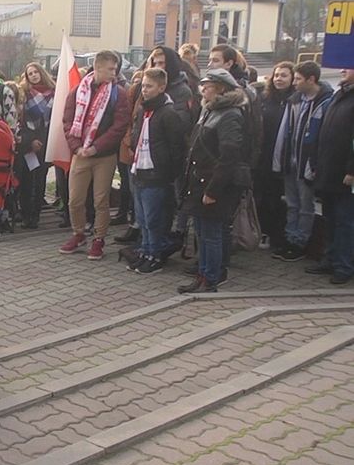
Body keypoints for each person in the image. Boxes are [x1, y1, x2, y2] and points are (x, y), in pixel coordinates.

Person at [178, 69, 248, 293]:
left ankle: (211, 278)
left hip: (213, 184)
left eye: (208, 85)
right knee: (201, 232)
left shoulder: (230, 114)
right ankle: (203, 274)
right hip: (199, 181)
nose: (203, 89)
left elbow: (229, 156)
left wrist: (213, 190)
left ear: (221, 88)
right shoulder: (209, 110)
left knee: (211, 234)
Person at [58, 50, 131, 260]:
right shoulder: (77, 91)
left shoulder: (118, 93)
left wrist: (96, 147)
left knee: (101, 200)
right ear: (97, 67)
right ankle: (79, 233)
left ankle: (99, 238)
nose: (113, 73)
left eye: (115, 69)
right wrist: (77, 147)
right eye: (110, 69)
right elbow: (68, 121)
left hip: (104, 155)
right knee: (75, 199)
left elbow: (119, 126)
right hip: (80, 153)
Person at [125, 68, 186, 275]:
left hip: (157, 175)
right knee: (142, 218)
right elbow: (137, 133)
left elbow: (177, 147)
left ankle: (156, 255)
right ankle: (146, 250)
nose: (145, 90)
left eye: (149, 86)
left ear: (162, 87)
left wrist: (168, 172)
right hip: (139, 171)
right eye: (143, 85)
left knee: (154, 219)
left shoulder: (169, 113)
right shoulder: (143, 109)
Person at [271, 61, 333, 262]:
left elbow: (323, 138)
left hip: (308, 165)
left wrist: (315, 166)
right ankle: (290, 238)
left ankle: (300, 242)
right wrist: (279, 160)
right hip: (291, 162)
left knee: (306, 206)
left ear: (311, 79)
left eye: (298, 79)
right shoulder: (295, 101)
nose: (294, 83)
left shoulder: (325, 103)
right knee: (291, 203)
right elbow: (284, 132)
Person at [305, 67, 353, 285]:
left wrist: (352, 170)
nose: (343, 69)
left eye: (349, 66)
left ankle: (344, 266)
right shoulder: (339, 94)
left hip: (345, 175)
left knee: (345, 222)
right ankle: (330, 259)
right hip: (329, 171)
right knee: (331, 219)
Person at [255, 62, 295, 251]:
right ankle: (261, 231)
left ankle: (274, 233)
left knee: (276, 198)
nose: (279, 79)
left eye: (284, 75)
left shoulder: (294, 101)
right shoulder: (265, 99)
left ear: (292, 78)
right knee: (260, 195)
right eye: (277, 75)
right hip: (263, 155)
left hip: (282, 157)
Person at [17, 62, 56, 229]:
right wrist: (30, 140)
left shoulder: (53, 93)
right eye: (29, 73)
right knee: (26, 179)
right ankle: (25, 214)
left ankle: (36, 215)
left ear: (41, 73)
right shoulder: (23, 93)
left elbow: (54, 121)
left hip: (45, 141)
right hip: (27, 143)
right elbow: (20, 119)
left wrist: (42, 140)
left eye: (35, 72)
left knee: (40, 180)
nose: (33, 75)